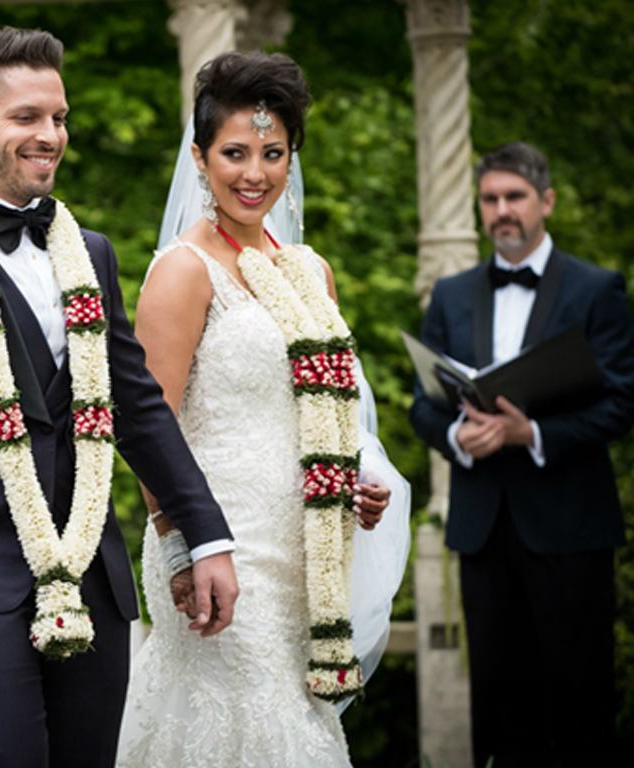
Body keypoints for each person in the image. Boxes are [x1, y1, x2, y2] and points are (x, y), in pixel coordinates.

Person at [0, 27, 240, 768]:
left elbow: (139, 405)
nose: (50, 135)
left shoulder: (90, 252)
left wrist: (205, 534)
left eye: (58, 118)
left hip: (91, 574)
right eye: (27, 117)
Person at [117, 51, 410, 767]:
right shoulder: (184, 271)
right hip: (218, 550)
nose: (255, 173)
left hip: (303, 555)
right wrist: (184, 542)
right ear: (200, 156)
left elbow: (330, 410)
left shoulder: (312, 272)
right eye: (235, 153)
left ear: (293, 156)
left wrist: (352, 481)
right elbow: (146, 423)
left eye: (272, 153)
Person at [409, 142, 634, 766]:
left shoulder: (596, 289)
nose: (502, 210)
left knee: (579, 703)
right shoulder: (451, 295)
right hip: (483, 529)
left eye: (514, 197)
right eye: (490, 199)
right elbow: (422, 406)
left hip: (570, 528)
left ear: (547, 201)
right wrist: (459, 438)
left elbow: (622, 404)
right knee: (499, 708)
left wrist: (529, 434)